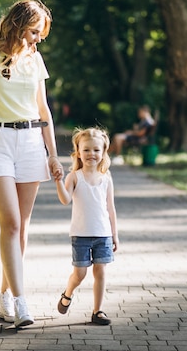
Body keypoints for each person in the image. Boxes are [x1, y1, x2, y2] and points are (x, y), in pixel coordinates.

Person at [0, 0, 64, 328]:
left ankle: (6, 295)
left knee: (21, 228)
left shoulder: (36, 60)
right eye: (35, 32)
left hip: (31, 142)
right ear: (19, 25)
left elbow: (44, 109)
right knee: (10, 223)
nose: (38, 39)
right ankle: (21, 303)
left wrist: (53, 154)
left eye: (41, 34)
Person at [54, 127, 119, 325]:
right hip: (81, 235)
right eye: (87, 150)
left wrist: (115, 235)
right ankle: (67, 293)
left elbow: (111, 208)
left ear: (103, 152)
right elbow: (65, 200)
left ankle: (98, 311)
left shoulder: (106, 178)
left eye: (96, 150)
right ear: (78, 152)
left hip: (103, 234)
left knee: (100, 271)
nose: (92, 154)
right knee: (80, 274)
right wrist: (58, 181)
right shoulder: (74, 176)